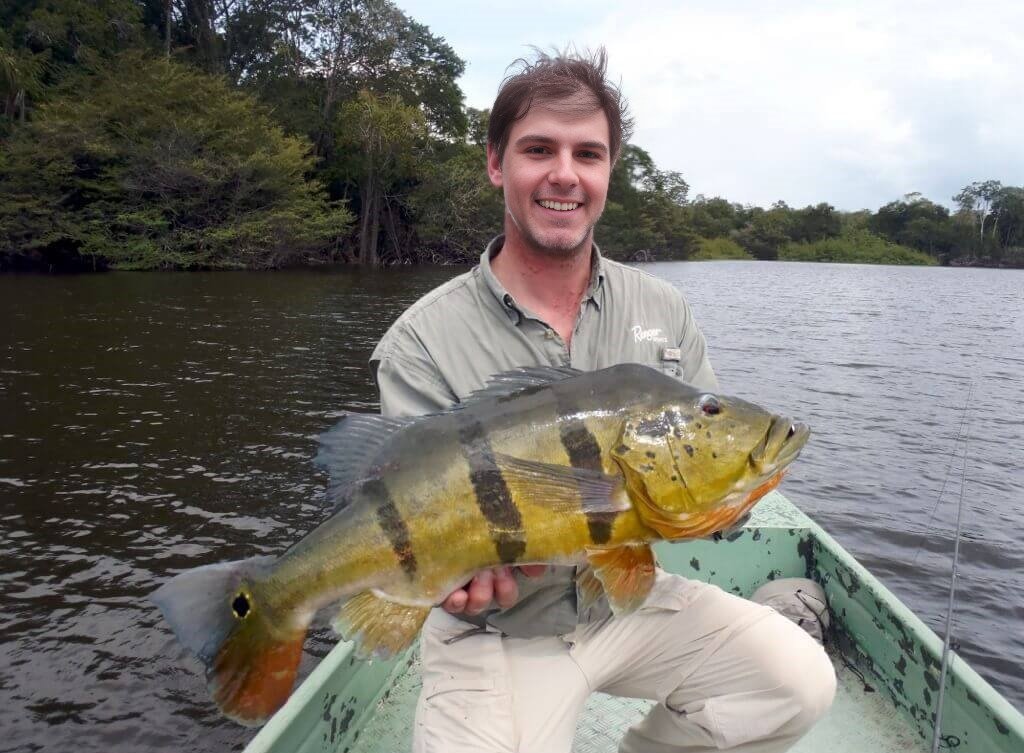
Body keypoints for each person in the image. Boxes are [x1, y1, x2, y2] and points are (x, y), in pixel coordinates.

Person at [370, 48, 836, 753]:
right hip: (494, 632)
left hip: (629, 603)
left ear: (609, 170)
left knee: (796, 681)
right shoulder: (422, 341)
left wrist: (734, 490)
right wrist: (446, 581)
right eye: (538, 149)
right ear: (497, 164)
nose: (564, 173)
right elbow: (403, 505)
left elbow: (687, 502)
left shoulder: (663, 308)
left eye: (588, 153)